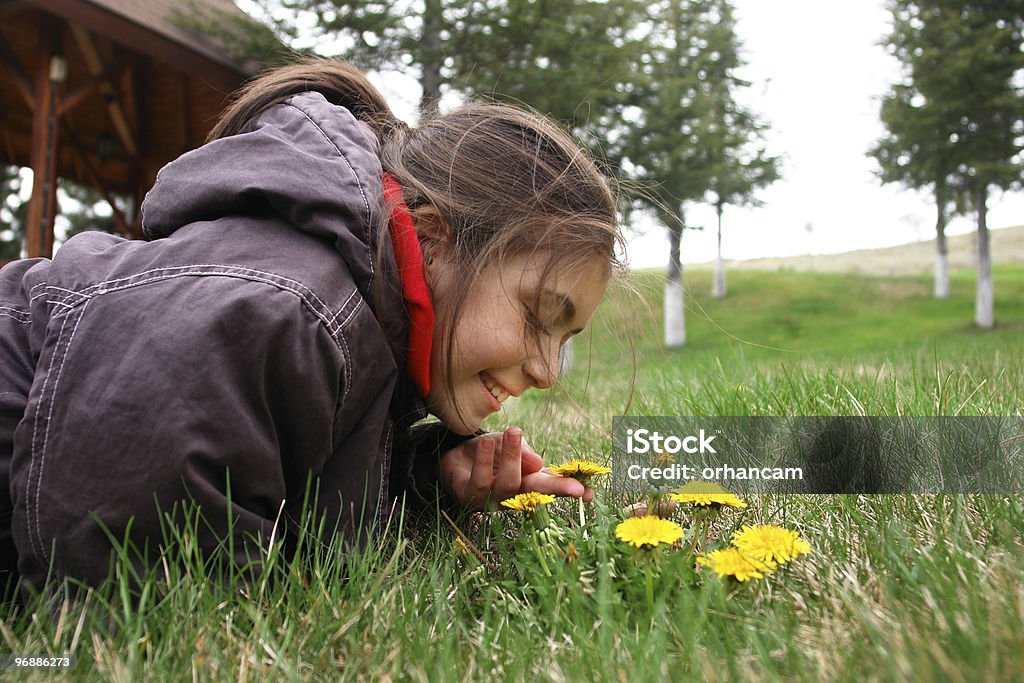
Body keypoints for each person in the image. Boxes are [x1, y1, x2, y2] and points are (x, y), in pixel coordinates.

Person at [0, 57, 624, 591]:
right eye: (539, 316)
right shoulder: (281, 312)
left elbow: (280, 492)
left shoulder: (362, 329)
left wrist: (427, 478)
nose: (546, 372)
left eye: (565, 341)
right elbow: (136, 596)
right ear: (432, 239)